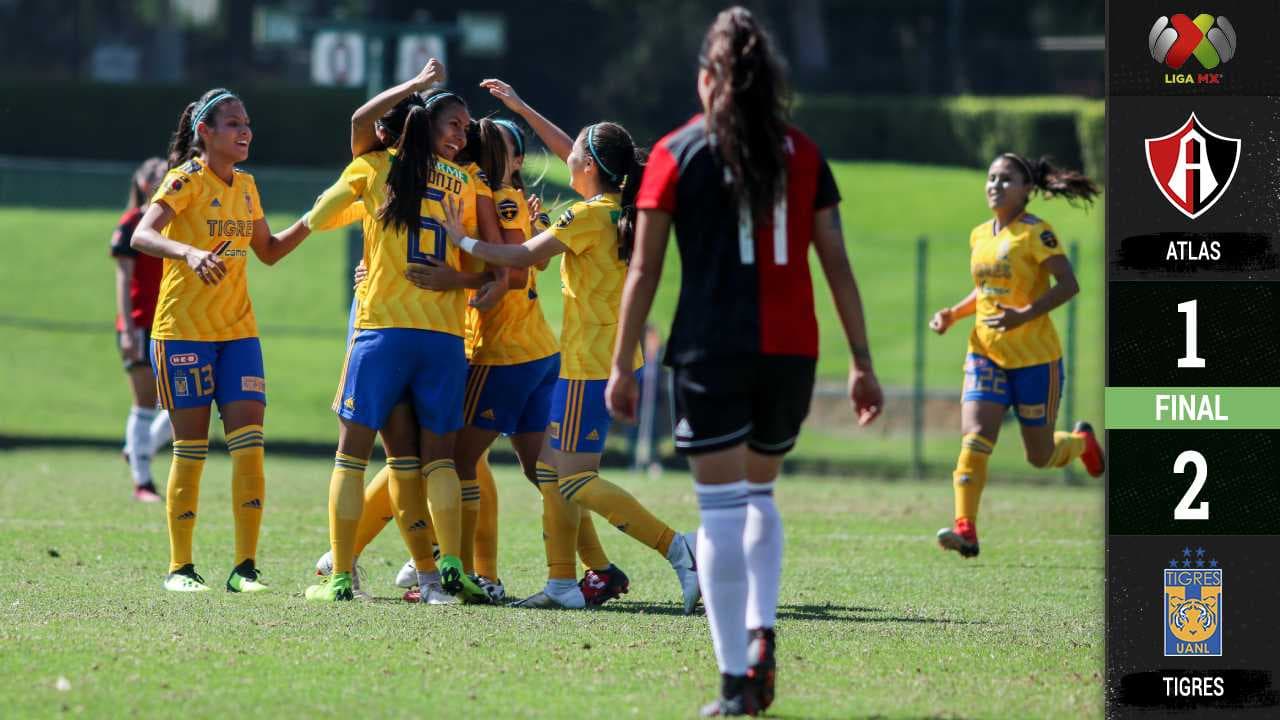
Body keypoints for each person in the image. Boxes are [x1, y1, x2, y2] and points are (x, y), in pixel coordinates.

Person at [606, 8, 884, 716]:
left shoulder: (675, 153)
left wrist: (622, 364)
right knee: (760, 495)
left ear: (708, 78)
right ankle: (763, 632)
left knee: (721, 511)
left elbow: (642, 270)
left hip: (711, 351)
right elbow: (839, 265)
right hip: (792, 352)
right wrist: (860, 360)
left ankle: (736, 681)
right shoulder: (805, 153)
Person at [437, 78, 700, 612]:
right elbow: (574, 151)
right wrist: (522, 106)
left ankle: (678, 547)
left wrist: (459, 238)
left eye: (574, 153)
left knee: (576, 478)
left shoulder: (582, 217)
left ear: (587, 168)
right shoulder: (624, 204)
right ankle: (562, 583)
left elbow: (518, 257)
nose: (563, 155)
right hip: (602, 357)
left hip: (587, 362)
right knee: (555, 472)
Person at [408, 117, 629, 605]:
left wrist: (458, 269)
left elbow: (513, 268)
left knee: (448, 457)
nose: (522, 159)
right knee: (547, 473)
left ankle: (465, 570)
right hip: (541, 352)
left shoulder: (497, 197)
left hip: (503, 352)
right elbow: (537, 260)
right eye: (515, 150)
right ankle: (598, 569)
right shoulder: (522, 204)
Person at [301, 85, 502, 604]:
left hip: (382, 330)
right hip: (442, 338)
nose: (461, 134)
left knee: (352, 457)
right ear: (430, 127)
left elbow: (320, 217)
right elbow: (488, 268)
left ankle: (342, 577)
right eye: (454, 125)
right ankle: (449, 570)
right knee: (438, 460)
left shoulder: (374, 168)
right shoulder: (462, 181)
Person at [131, 88, 312, 593]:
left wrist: (314, 218)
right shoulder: (185, 179)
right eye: (232, 123)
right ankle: (180, 569)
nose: (244, 131)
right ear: (204, 133)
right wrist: (187, 253)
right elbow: (142, 235)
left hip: (238, 335)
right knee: (190, 449)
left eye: (247, 123)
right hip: (183, 332)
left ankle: (244, 569)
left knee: (250, 448)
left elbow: (269, 251)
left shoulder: (248, 186)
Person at [928, 152, 1104, 559]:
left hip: (1035, 360)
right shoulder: (979, 235)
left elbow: (1068, 284)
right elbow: (986, 291)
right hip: (985, 353)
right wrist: (953, 314)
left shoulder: (1037, 234)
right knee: (974, 438)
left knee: (1040, 456)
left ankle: (1081, 443)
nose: (995, 185)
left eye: (1006, 179)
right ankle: (966, 528)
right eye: (991, 177)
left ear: (1027, 190)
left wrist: (1024, 314)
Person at [111, 156, 172, 502]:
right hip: (139, 322)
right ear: (147, 184)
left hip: (170, 323)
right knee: (145, 403)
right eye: (162, 177)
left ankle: (138, 447)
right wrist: (127, 327)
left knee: (181, 408)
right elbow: (124, 278)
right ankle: (143, 483)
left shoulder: (175, 222)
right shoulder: (133, 222)